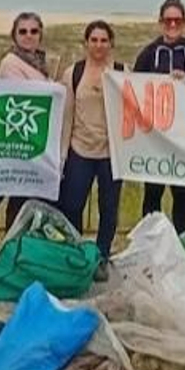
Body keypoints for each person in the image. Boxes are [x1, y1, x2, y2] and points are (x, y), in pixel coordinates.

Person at [133, 0, 185, 232]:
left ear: (184, 22)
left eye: (177, 20)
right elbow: (133, 91)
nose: (173, 25)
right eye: (168, 20)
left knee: (182, 193)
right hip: (154, 138)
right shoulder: (148, 54)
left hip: (184, 138)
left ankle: (180, 238)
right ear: (160, 22)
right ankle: (151, 239)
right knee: (152, 192)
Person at [60, 21, 124, 278]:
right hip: (80, 150)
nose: (99, 45)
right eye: (94, 40)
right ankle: (77, 254)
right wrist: (63, 153)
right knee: (72, 205)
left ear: (111, 43)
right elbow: (67, 115)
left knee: (108, 209)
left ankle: (101, 257)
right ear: (86, 43)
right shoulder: (73, 73)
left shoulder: (122, 72)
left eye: (104, 40)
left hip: (111, 154)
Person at [0, 12, 54, 226]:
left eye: (34, 31)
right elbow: (24, 97)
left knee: (35, 201)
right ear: (14, 35)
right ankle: (14, 243)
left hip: (38, 142)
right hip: (21, 143)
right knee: (21, 202)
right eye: (23, 31)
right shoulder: (11, 63)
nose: (29, 35)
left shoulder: (39, 62)